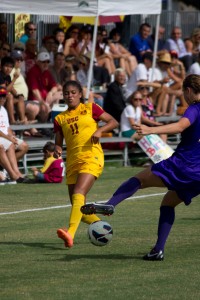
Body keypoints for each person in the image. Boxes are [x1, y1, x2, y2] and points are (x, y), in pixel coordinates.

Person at [81, 74, 200, 261]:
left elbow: (180, 127)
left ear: (188, 90)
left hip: (183, 165)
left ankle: (110, 204)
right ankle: (157, 250)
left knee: (138, 179)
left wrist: (150, 129)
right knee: (168, 203)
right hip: (198, 175)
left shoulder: (194, 109)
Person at [54, 80, 118, 248]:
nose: (70, 96)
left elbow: (113, 122)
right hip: (72, 162)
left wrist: (100, 130)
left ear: (80, 94)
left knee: (79, 193)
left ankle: (70, 234)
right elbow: (58, 141)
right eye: (66, 93)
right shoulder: (60, 118)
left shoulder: (91, 108)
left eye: (73, 92)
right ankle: (103, 226)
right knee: (79, 208)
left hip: (92, 157)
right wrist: (57, 149)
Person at [0, 86, 27, 183]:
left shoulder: (3, 109)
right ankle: (12, 174)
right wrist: (9, 138)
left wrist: (12, 136)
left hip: (5, 136)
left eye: (4, 97)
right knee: (6, 145)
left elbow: (7, 127)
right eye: (0, 97)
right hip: (2, 137)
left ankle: (14, 172)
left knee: (24, 146)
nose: (2, 99)